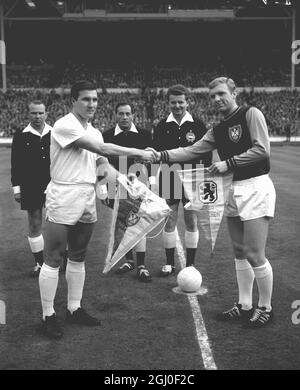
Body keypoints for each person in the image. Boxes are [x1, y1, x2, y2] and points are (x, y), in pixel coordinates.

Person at [150, 77, 276, 328]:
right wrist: (161, 154)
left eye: (221, 94)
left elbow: (262, 149)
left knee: (254, 252)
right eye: (212, 96)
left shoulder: (251, 114)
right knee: (239, 252)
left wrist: (228, 163)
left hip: (255, 187)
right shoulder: (217, 129)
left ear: (234, 93)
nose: (217, 99)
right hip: (233, 189)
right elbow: (191, 150)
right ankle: (244, 305)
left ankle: (265, 306)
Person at [39, 80, 154, 339]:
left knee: (78, 255)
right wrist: (139, 152)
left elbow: (102, 164)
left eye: (95, 99)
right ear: (73, 101)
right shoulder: (64, 124)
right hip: (64, 193)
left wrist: (125, 181)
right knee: (54, 257)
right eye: (86, 99)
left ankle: (74, 308)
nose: (92, 104)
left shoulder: (94, 130)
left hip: (87, 195)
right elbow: (102, 149)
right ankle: (48, 315)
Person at [152, 84, 212, 276]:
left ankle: (191, 264)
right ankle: (169, 263)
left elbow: (207, 155)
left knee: (191, 221)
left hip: (193, 178)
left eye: (181, 102)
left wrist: (203, 181)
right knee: (169, 221)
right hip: (169, 177)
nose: (177, 106)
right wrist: (154, 179)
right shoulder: (162, 126)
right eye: (173, 102)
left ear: (187, 102)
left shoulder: (198, 125)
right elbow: (157, 155)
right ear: (168, 103)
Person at [102, 102, 153, 282]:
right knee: (122, 224)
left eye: (128, 114)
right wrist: (103, 188)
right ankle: (129, 260)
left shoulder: (145, 135)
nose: (124, 117)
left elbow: (151, 162)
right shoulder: (106, 135)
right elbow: (102, 164)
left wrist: (151, 184)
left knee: (139, 225)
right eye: (121, 114)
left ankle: (141, 265)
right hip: (115, 188)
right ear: (115, 115)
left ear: (133, 115)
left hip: (139, 187)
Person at [11, 101, 51, 277]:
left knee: (60, 223)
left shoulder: (55, 133)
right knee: (35, 223)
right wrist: (16, 189)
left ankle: (63, 258)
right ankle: (39, 263)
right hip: (30, 185)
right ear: (28, 114)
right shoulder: (20, 135)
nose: (37, 116)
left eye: (40, 113)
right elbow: (16, 163)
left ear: (46, 114)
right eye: (34, 113)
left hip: (54, 184)